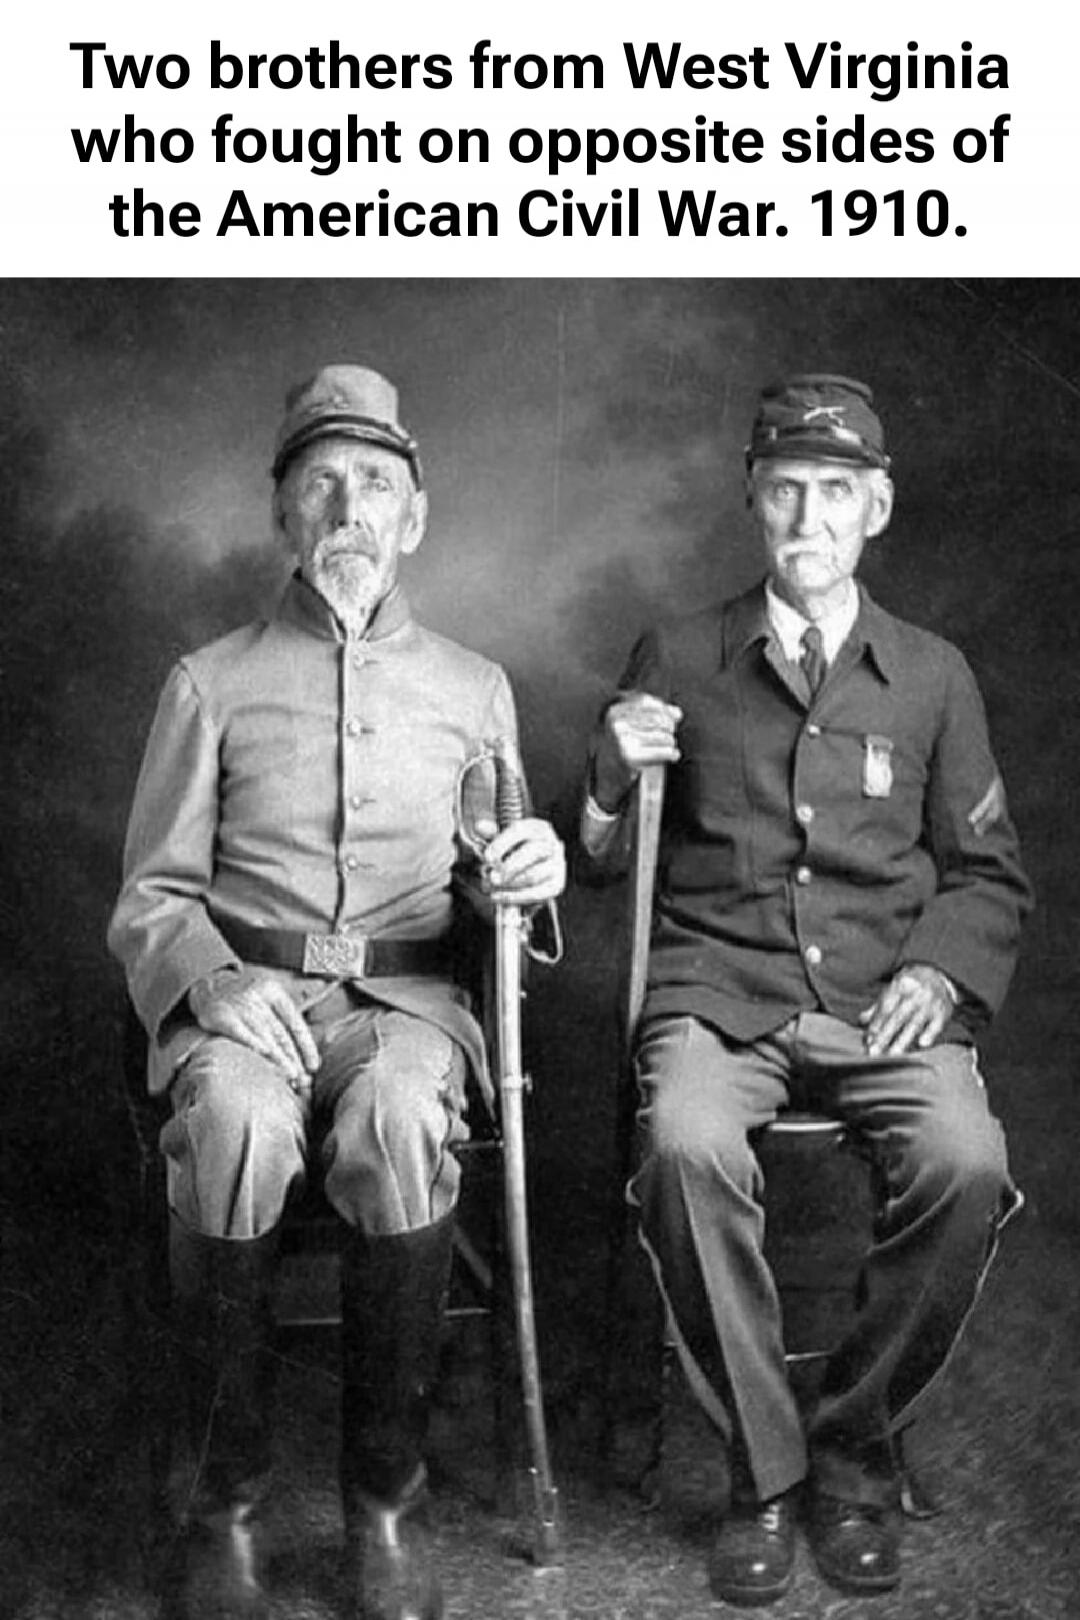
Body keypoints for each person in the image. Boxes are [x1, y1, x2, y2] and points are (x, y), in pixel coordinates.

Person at [108, 364, 565, 1620]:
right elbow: (150, 893)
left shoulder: (476, 690)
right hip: (248, 1002)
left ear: (414, 518)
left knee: (404, 1123)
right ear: (283, 515)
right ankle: (226, 1510)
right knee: (232, 1128)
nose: (348, 505)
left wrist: (526, 874)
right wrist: (203, 984)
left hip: (411, 1012)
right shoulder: (211, 681)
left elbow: (494, 881)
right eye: (321, 482)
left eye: (375, 482)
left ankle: (382, 1505)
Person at [581, 374, 1031, 1604]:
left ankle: (849, 1448)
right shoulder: (677, 651)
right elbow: (598, 858)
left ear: (876, 509)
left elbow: (990, 875)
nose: (809, 517)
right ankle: (768, 1476)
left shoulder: (933, 676)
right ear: (752, 501)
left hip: (881, 1002)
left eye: (837, 493)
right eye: (786, 490)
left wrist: (939, 969)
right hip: (717, 999)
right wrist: (610, 781)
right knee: (681, 1145)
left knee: (967, 1164)